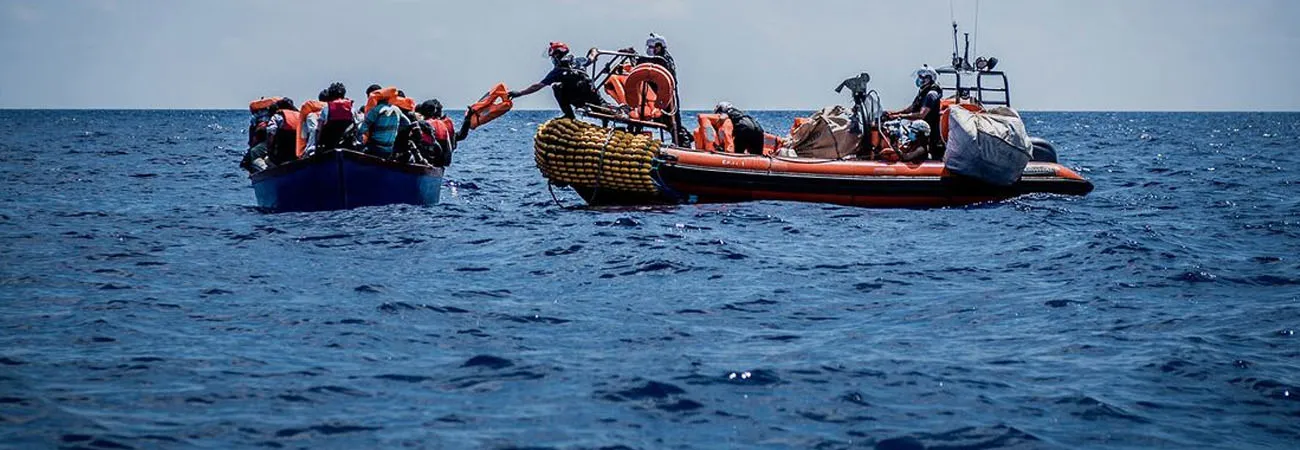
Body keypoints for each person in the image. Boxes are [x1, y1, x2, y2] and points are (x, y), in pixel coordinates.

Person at [508, 41, 606, 119]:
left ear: (557, 55)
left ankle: (569, 115)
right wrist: (594, 50)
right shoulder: (578, 61)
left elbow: (537, 86)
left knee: (556, 86)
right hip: (592, 95)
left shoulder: (558, 71)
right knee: (603, 108)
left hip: (578, 99)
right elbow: (592, 57)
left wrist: (520, 93)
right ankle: (605, 113)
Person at [886, 65, 944, 159]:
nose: (920, 79)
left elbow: (921, 115)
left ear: (930, 79)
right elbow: (912, 108)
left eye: (923, 77)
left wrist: (900, 116)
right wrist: (893, 114)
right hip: (919, 129)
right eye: (919, 76)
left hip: (928, 132)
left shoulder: (931, 95)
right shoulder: (923, 91)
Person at [410, 99, 472, 167]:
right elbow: (461, 136)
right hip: (442, 161)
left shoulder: (427, 123)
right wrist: (468, 119)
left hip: (430, 160)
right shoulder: (443, 124)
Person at [357, 90, 409, 157]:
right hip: (389, 150)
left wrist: (360, 139)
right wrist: (396, 130)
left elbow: (362, 129)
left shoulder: (376, 110)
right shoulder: (397, 110)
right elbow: (407, 123)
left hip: (375, 148)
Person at [316, 82, 357, 150]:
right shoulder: (351, 108)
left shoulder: (326, 108)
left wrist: (317, 145)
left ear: (330, 95)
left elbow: (318, 129)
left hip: (329, 145)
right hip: (347, 144)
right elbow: (356, 124)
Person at [264, 98, 301, 165]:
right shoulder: (300, 116)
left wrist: (269, 149)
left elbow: (271, 133)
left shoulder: (277, 116)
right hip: (299, 153)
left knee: (266, 160)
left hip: (282, 154)